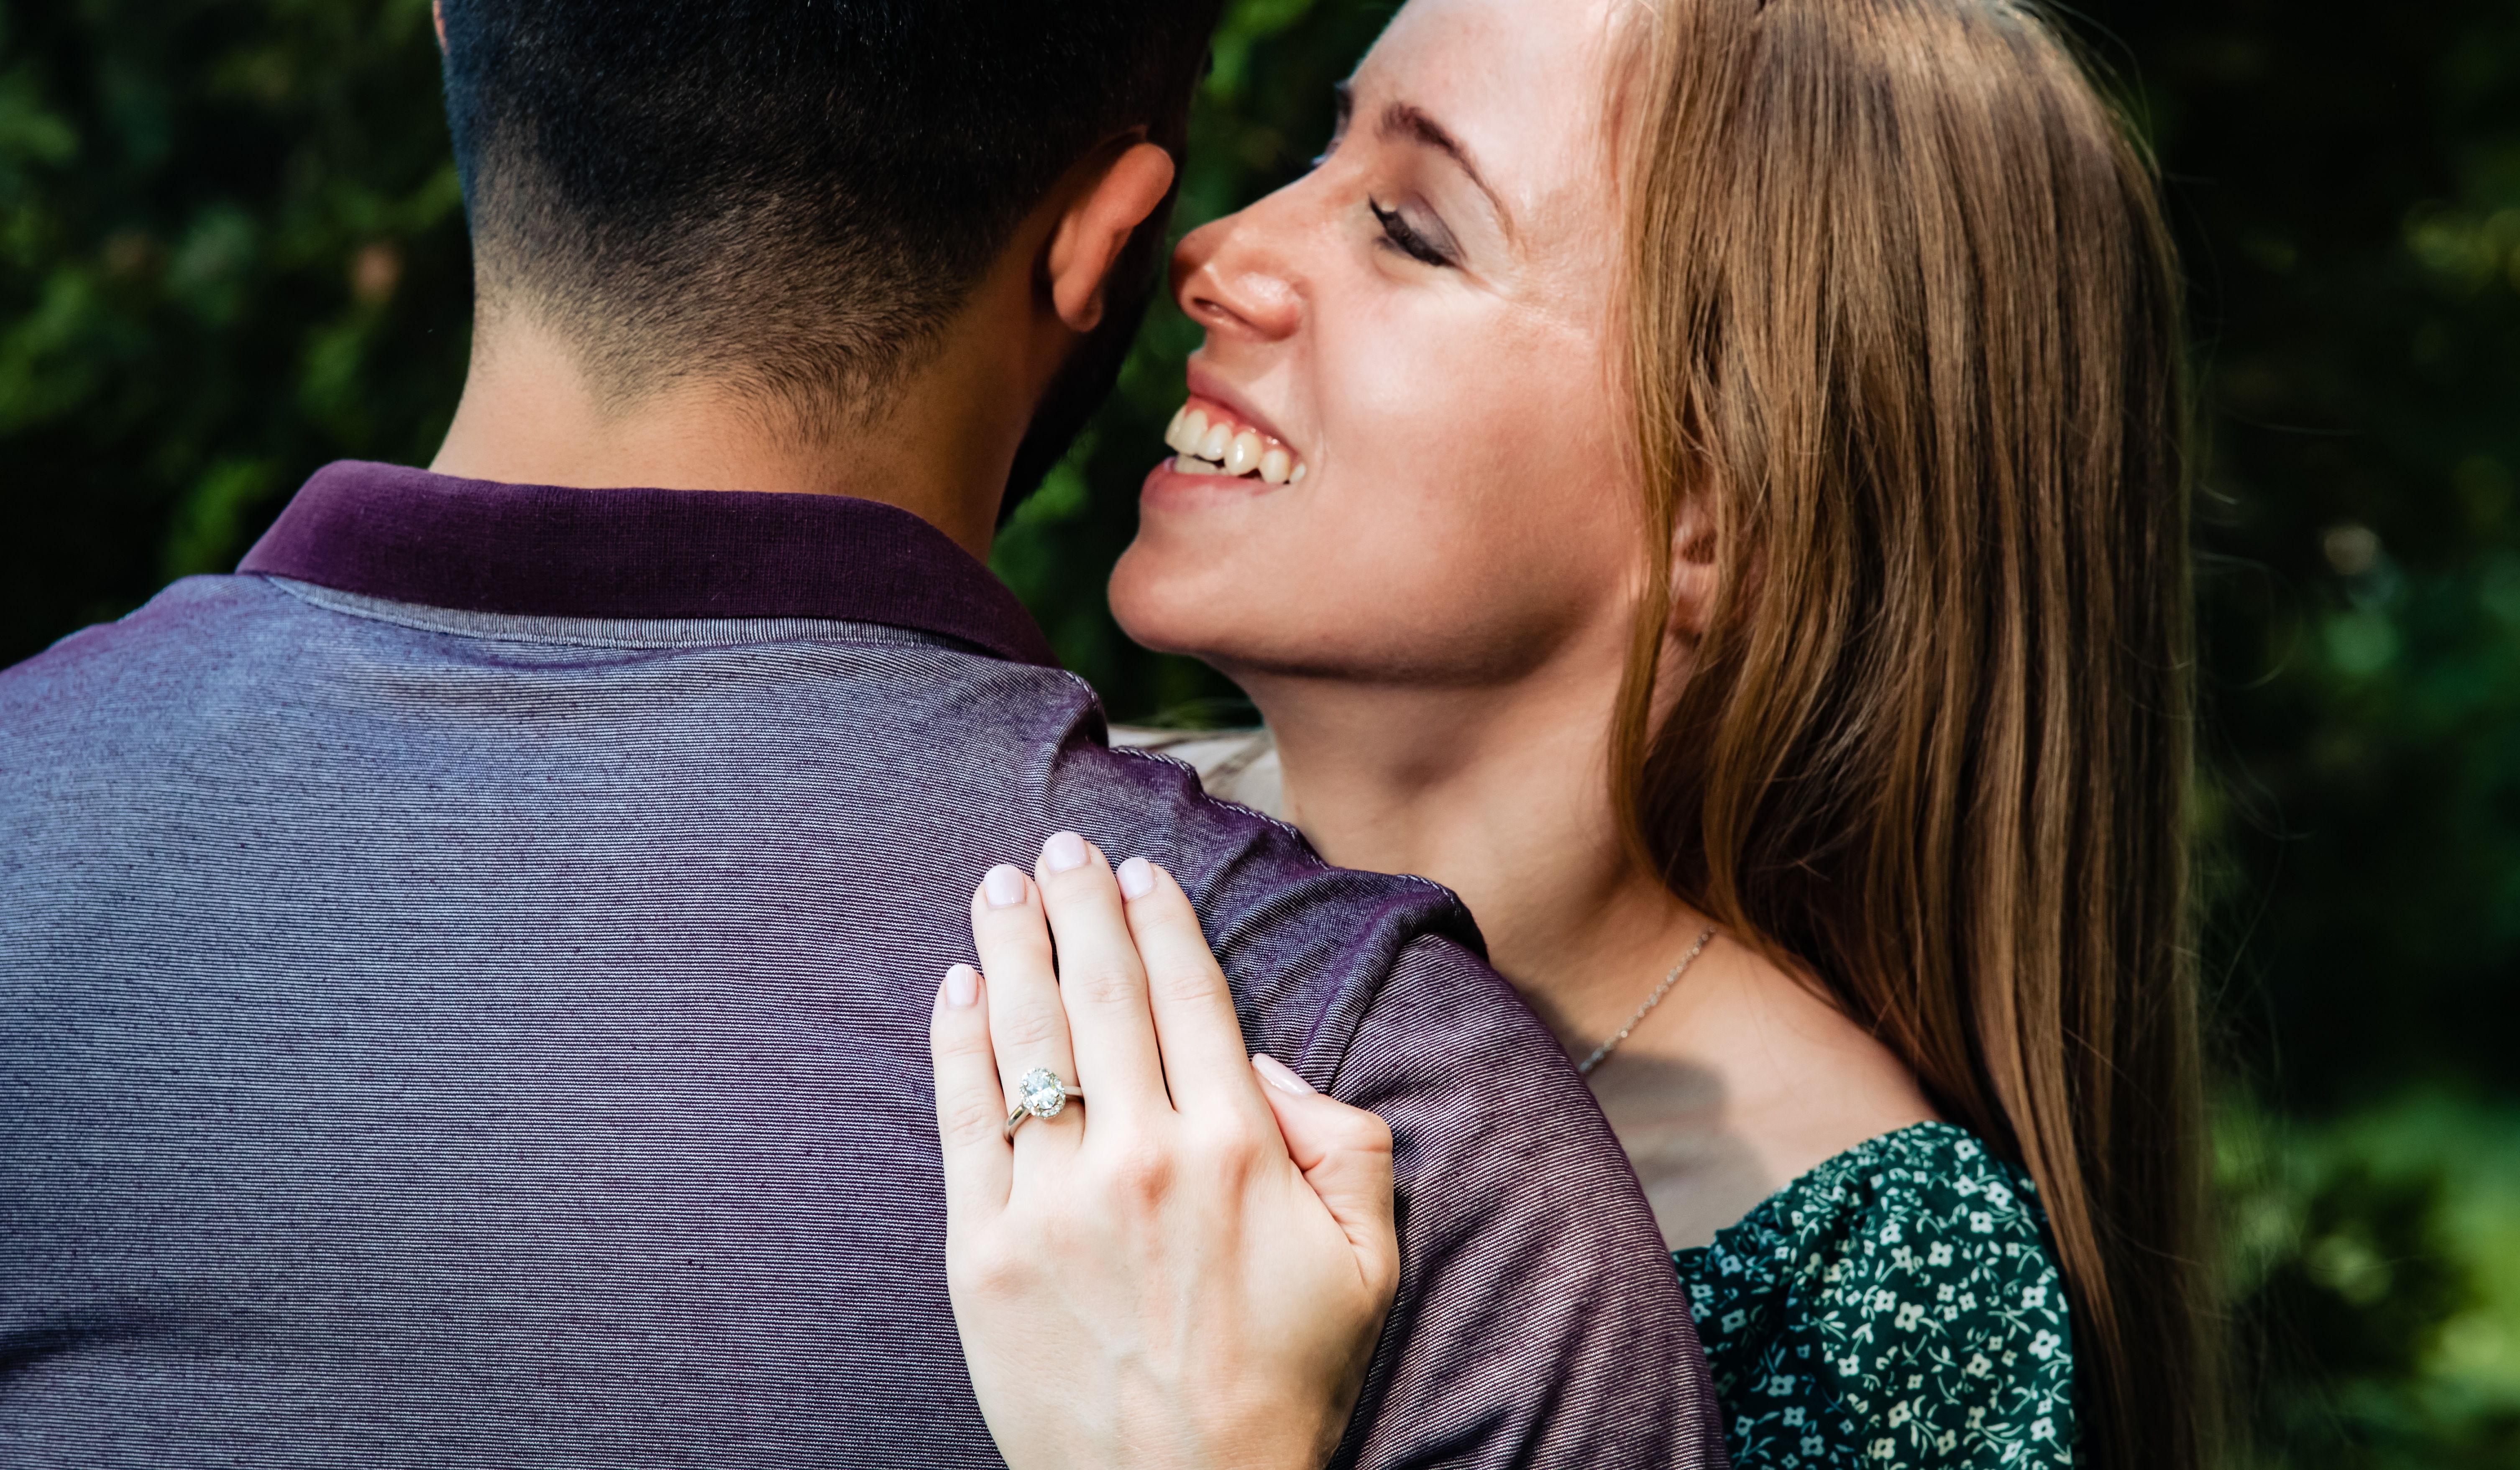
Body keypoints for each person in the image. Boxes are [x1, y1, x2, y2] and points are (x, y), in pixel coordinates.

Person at [0, 3, 1726, 1466]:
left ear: (455, 26)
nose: (1232, 258)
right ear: (1100, 240)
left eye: (1409, 225)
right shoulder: (1378, 1127)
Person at [932, 0, 2213, 1467]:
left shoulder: (1872, 1290)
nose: (1217, 251)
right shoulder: (1025, 834)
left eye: (1409, 228)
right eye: (1316, 152)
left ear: (1719, 517)